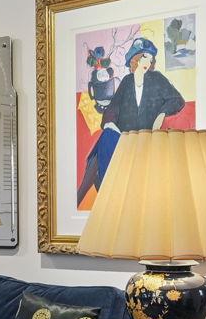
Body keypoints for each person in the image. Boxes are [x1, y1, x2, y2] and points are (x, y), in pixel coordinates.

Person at [76, 34, 186, 206]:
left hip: (143, 140)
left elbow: (178, 100)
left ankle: (92, 193)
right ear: (135, 59)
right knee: (106, 138)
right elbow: (112, 108)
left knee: (99, 153)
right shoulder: (127, 81)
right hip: (123, 138)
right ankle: (102, 191)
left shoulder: (156, 79)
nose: (147, 62)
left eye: (150, 59)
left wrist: (162, 113)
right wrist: (110, 124)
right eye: (144, 57)